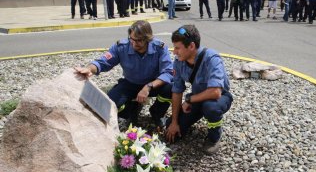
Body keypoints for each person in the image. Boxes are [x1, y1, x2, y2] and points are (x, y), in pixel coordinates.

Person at [75, 20, 173, 127]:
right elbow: (103, 62)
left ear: (148, 39)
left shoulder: (160, 48)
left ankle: (157, 113)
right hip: (130, 84)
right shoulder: (121, 47)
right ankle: (131, 110)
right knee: (110, 104)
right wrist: (89, 69)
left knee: (171, 88)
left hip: (152, 84)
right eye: (132, 39)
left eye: (139, 40)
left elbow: (168, 72)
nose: (134, 44)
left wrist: (148, 87)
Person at [166, 25, 233, 155]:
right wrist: (174, 122)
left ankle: (214, 137)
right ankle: (187, 120)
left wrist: (189, 100)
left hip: (219, 98)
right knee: (172, 131)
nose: (174, 52)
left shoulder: (211, 58)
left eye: (177, 48)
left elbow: (215, 92)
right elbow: (177, 91)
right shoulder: (179, 62)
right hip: (198, 97)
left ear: (191, 46)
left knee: (211, 108)